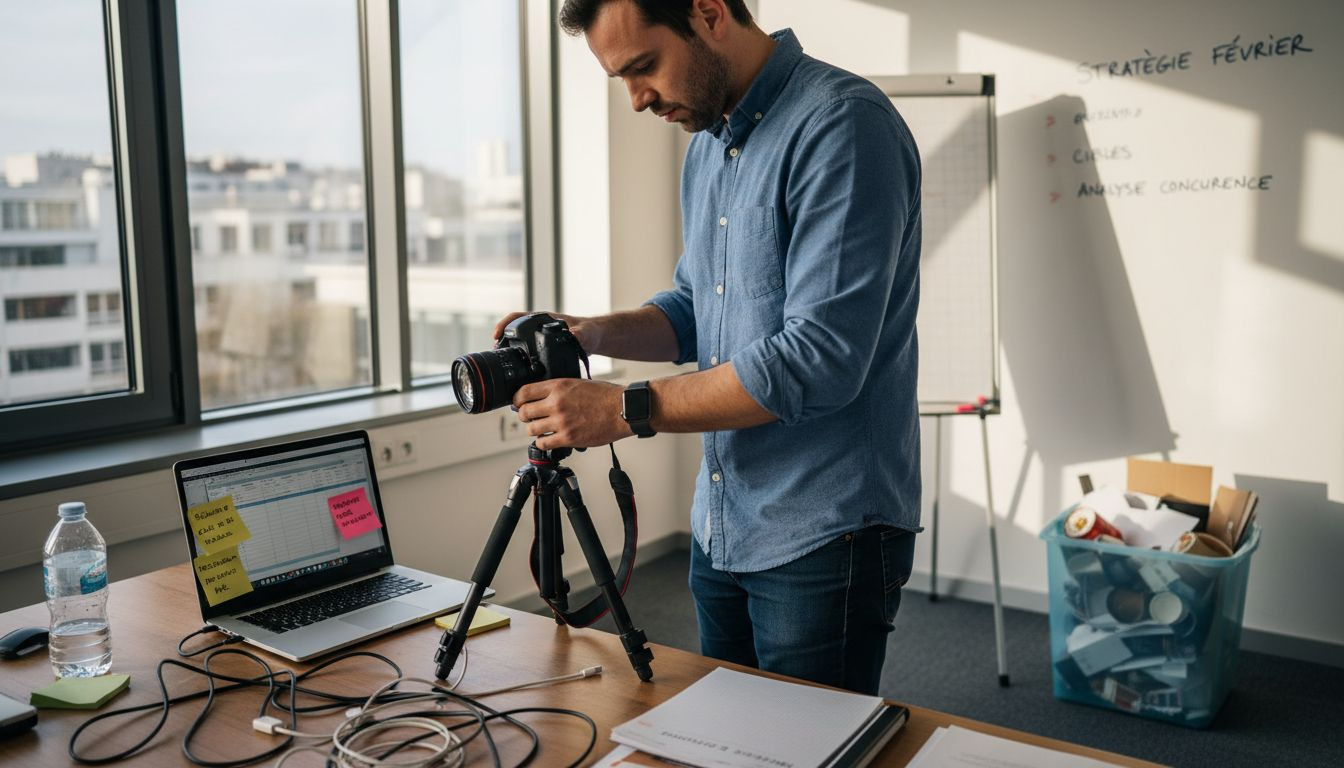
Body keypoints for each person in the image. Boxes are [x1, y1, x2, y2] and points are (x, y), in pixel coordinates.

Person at [495, 0, 922, 695]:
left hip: (824, 528)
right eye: (621, 80)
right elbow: (697, 308)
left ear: (709, 12)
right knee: (729, 731)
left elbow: (820, 359)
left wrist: (623, 408)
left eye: (644, 67)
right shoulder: (707, 145)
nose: (637, 100)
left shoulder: (842, 125)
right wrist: (588, 331)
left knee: (807, 741)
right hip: (725, 519)